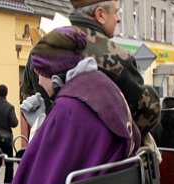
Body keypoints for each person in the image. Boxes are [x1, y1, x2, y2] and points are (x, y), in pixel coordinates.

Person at [0, 27, 140, 184]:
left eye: (38, 73)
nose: (38, 81)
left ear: (50, 74)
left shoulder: (69, 107)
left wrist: (43, 127)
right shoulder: (104, 86)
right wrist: (45, 121)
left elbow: (36, 181)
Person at [20, 0, 160, 135]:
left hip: (52, 150)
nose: (118, 19)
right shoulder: (118, 57)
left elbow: (27, 101)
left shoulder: (42, 49)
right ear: (100, 14)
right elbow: (147, 117)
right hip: (103, 156)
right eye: (116, 12)